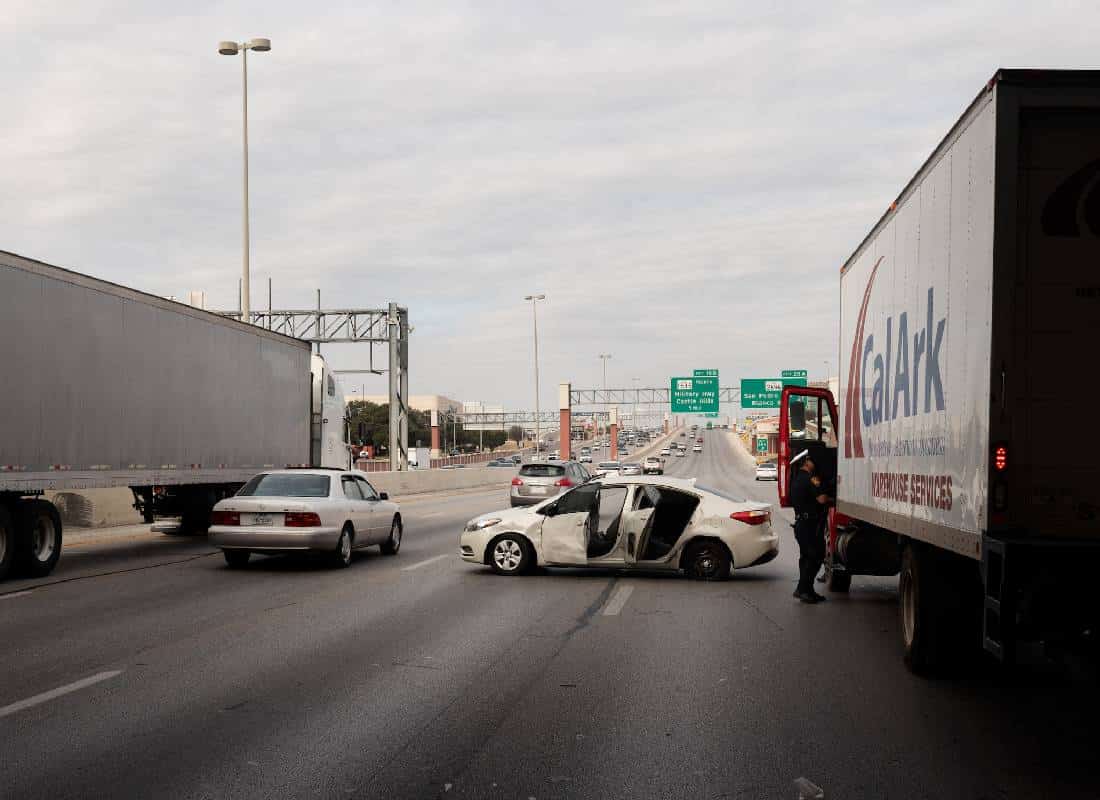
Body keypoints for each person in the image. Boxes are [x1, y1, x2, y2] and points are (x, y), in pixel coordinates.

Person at [789, 447, 832, 603]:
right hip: (810, 525)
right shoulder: (812, 479)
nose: (815, 465)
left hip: (802, 524)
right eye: (813, 462)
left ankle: (807, 590)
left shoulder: (797, 479)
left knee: (806, 557)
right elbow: (821, 499)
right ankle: (802, 589)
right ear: (807, 462)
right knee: (815, 556)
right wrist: (827, 489)